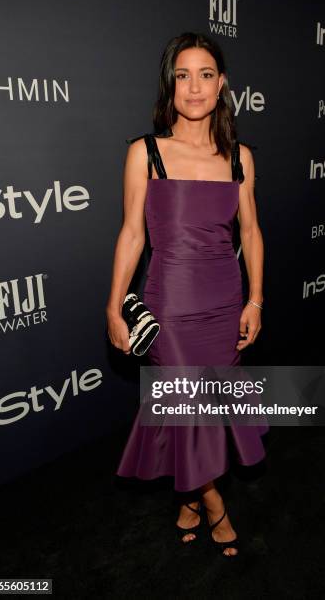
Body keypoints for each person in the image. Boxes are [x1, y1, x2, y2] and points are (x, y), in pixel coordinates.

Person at [106, 32, 268, 557]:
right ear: (169, 85)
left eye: (204, 75)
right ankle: (215, 501)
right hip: (170, 307)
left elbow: (250, 233)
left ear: (222, 85)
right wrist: (114, 306)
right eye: (182, 75)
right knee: (184, 407)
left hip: (225, 302)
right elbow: (132, 234)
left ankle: (189, 499)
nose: (193, 87)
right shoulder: (145, 153)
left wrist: (256, 300)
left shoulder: (239, 157)